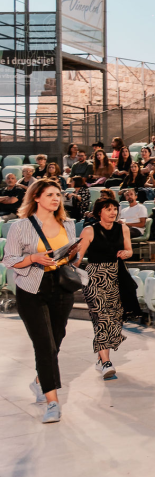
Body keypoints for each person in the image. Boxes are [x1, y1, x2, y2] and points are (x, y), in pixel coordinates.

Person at [1, 180, 79, 424]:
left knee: (56, 341)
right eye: (50, 195)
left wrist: (74, 253)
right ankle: (52, 402)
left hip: (62, 287)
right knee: (44, 346)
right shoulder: (20, 226)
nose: (56, 199)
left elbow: (71, 257)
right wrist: (33, 257)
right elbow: (9, 260)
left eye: (58, 195)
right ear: (36, 197)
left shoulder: (68, 224)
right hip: (31, 288)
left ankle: (39, 381)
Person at [73, 197, 134, 381]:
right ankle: (107, 362)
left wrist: (126, 253)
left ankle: (101, 358)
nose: (113, 212)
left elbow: (130, 250)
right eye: (108, 209)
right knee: (101, 318)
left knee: (114, 319)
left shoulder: (123, 228)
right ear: (99, 211)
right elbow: (78, 257)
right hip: (95, 278)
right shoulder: (89, 230)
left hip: (116, 276)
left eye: (115, 208)